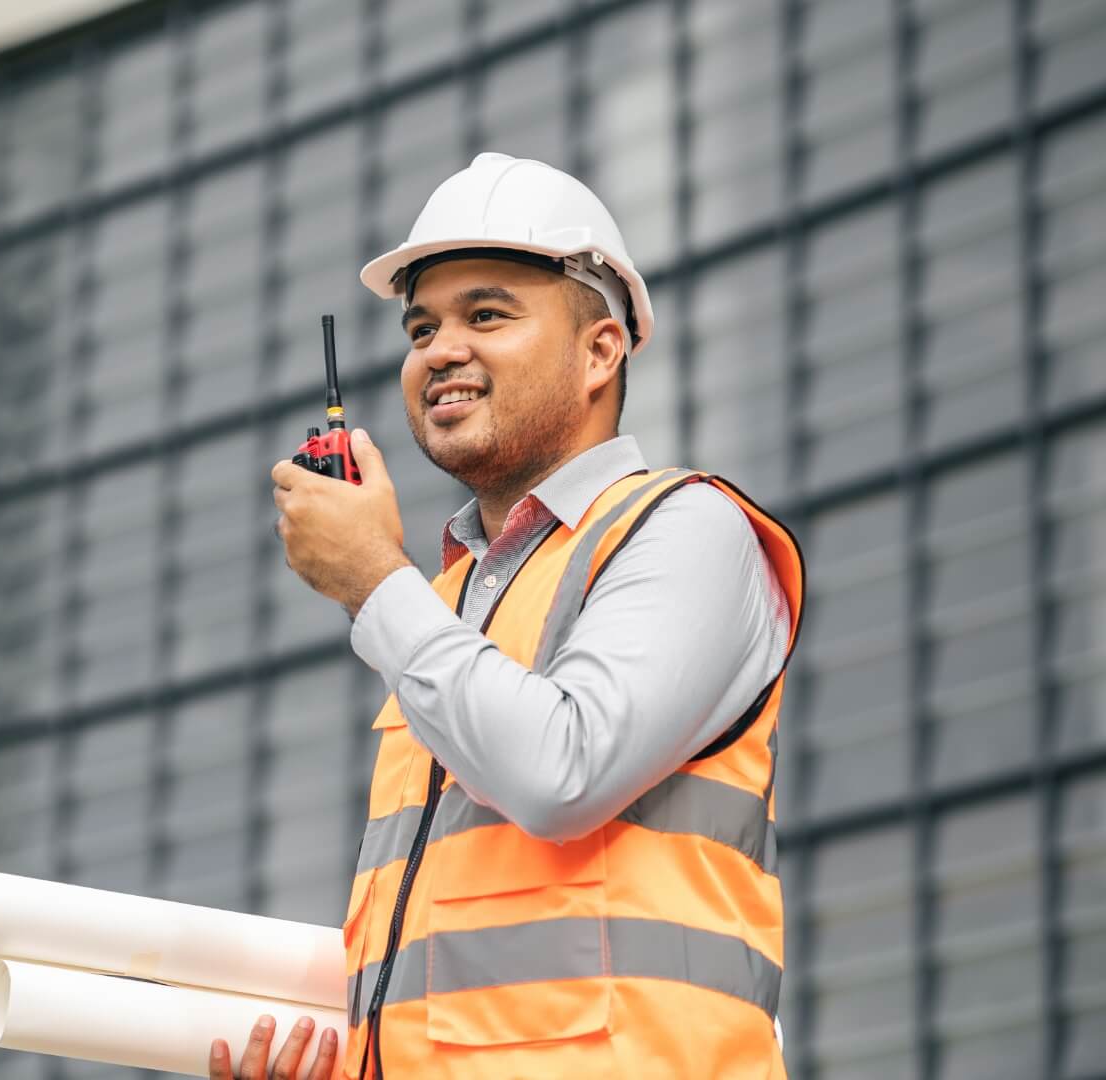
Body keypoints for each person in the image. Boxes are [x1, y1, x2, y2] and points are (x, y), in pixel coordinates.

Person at [209, 153, 805, 1079]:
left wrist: (375, 579)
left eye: (486, 314)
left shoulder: (688, 530)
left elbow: (562, 774)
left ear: (601, 350)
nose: (440, 349)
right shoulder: (443, 605)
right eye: (421, 327)